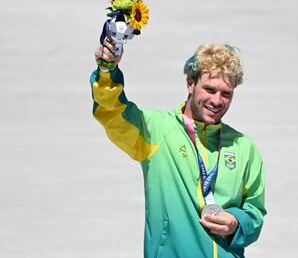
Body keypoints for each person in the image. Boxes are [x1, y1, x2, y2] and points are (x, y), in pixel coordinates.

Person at [90, 38, 266, 258]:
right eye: (209, 89)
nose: (217, 100)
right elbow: (112, 112)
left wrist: (236, 223)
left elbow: (255, 211)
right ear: (190, 84)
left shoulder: (243, 147)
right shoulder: (157, 130)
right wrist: (107, 71)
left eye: (226, 93)